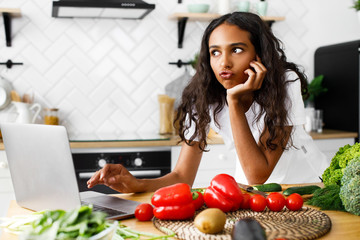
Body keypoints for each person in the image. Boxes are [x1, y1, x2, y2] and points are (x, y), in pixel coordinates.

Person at [87, 12, 328, 193]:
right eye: (215, 52)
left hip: (307, 187)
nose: (224, 62)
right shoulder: (204, 95)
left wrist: (233, 102)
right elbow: (182, 176)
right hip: (253, 192)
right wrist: (136, 184)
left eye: (236, 49)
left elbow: (258, 173)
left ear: (258, 55)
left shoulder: (285, 82)